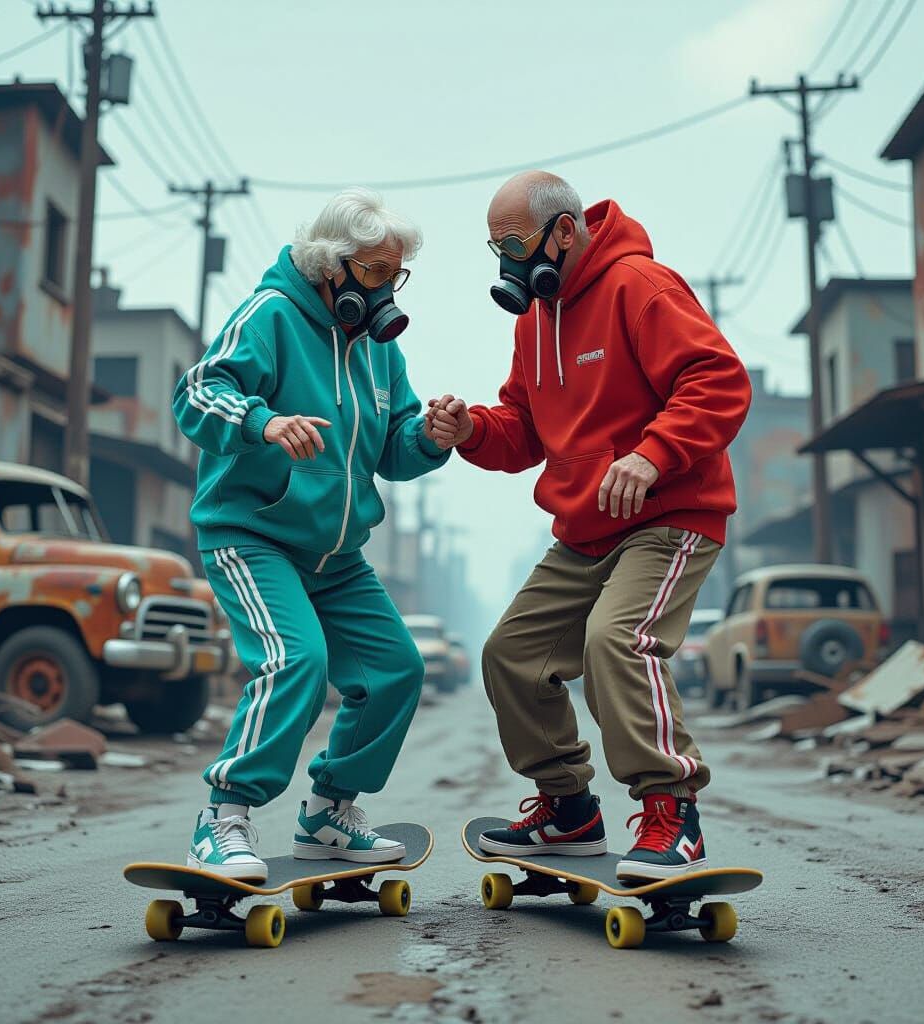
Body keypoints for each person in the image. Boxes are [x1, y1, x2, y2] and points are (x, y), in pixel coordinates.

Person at [426, 171, 751, 880]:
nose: (507, 263)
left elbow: (719, 380)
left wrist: (653, 455)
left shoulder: (641, 286)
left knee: (617, 641)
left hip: (669, 514)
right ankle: (568, 810)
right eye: (497, 249)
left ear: (564, 231)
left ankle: (673, 813)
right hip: (584, 528)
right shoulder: (533, 320)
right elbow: (523, 431)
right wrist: (471, 429)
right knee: (511, 653)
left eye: (516, 245)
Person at [172, 188, 449, 881]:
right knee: (297, 661)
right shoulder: (270, 314)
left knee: (396, 670)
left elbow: (394, 447)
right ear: (333, 265)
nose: (386, 289)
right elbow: (196, 393)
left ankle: (329, 814)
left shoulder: (378, 349)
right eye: (376, 272)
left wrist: (433, 436)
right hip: (253, 534)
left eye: (396, 274)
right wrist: (262, 421)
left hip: (337, 554)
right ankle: (222, 819)